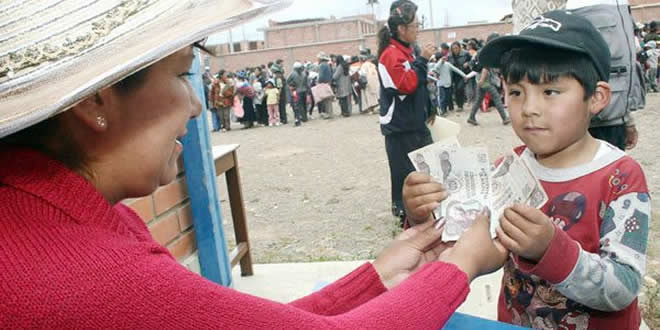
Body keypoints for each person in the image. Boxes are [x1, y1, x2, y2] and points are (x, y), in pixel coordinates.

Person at [0, 0, 511, 327]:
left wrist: (378, 273)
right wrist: (458, 264)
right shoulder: (88, 274)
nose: (196, 105)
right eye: (182, 76)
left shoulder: (56, 215)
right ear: (94, 103)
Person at [405, 10, 651, 329]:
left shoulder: (621, 177)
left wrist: (552, 250)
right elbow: (477, 252)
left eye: (550, 91)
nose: (530, 108)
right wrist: (424, 214)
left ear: (596, 97)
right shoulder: (510, 167)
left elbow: (622, 288)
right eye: (517, 92)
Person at [377, 0, 436, 225]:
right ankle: (403, 212)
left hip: (414, 122)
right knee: (404, 172)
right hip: (400, 126)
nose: (418, 29)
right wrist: (423, 60)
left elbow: (419, 85)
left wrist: (429, 107)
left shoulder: (408, 51)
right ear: (402, 29)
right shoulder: (390, 54)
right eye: (415, 25)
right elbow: (406, 84)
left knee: (427, 164)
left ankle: (424, 206)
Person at [466, 33, 511, 126]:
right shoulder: (488, 51)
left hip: (480, 79)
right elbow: (485, 67)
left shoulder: (481, 51)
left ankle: (471, 117)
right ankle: (505, 118)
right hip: (485, 80)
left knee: (479, 99)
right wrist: (482, 80)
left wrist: (480, 81)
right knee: (497, 97)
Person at [448, 41, 471, 111]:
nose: (455, 50)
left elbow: (472, 61)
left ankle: (460, 105)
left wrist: (468, 63)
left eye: (456, 48)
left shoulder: (466, 54)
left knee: (459, 88)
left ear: (460, 48)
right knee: (455, 90)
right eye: (453, 48)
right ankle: (459, 105)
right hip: (454, 75)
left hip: (463, 74)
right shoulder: (449, 56)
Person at [286, 61, 309, 126]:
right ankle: (305, 117)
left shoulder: (293, 74)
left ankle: (302, 117)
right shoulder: (304, 73)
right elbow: (306, 83)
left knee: (299, 105)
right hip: (304, 90)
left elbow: (287, 80)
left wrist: (292, 85)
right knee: (304, 104)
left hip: (297, 90)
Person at [359, 49, 380, 114]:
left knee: (368, 96)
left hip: (367, 83)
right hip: (375, 82)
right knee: (374, 96)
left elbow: (362, 74)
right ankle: (374, 108)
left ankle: (370, 110)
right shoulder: (372, 65)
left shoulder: (363, 65)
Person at [316, 51, 334, 118]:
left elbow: (321, 76)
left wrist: (318, 81)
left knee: (326, 99)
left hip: (324, 83)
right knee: (328, 99)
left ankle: (328, 113)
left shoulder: (322, 65)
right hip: (328, 83)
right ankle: (330, 113)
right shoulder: (326, 64)